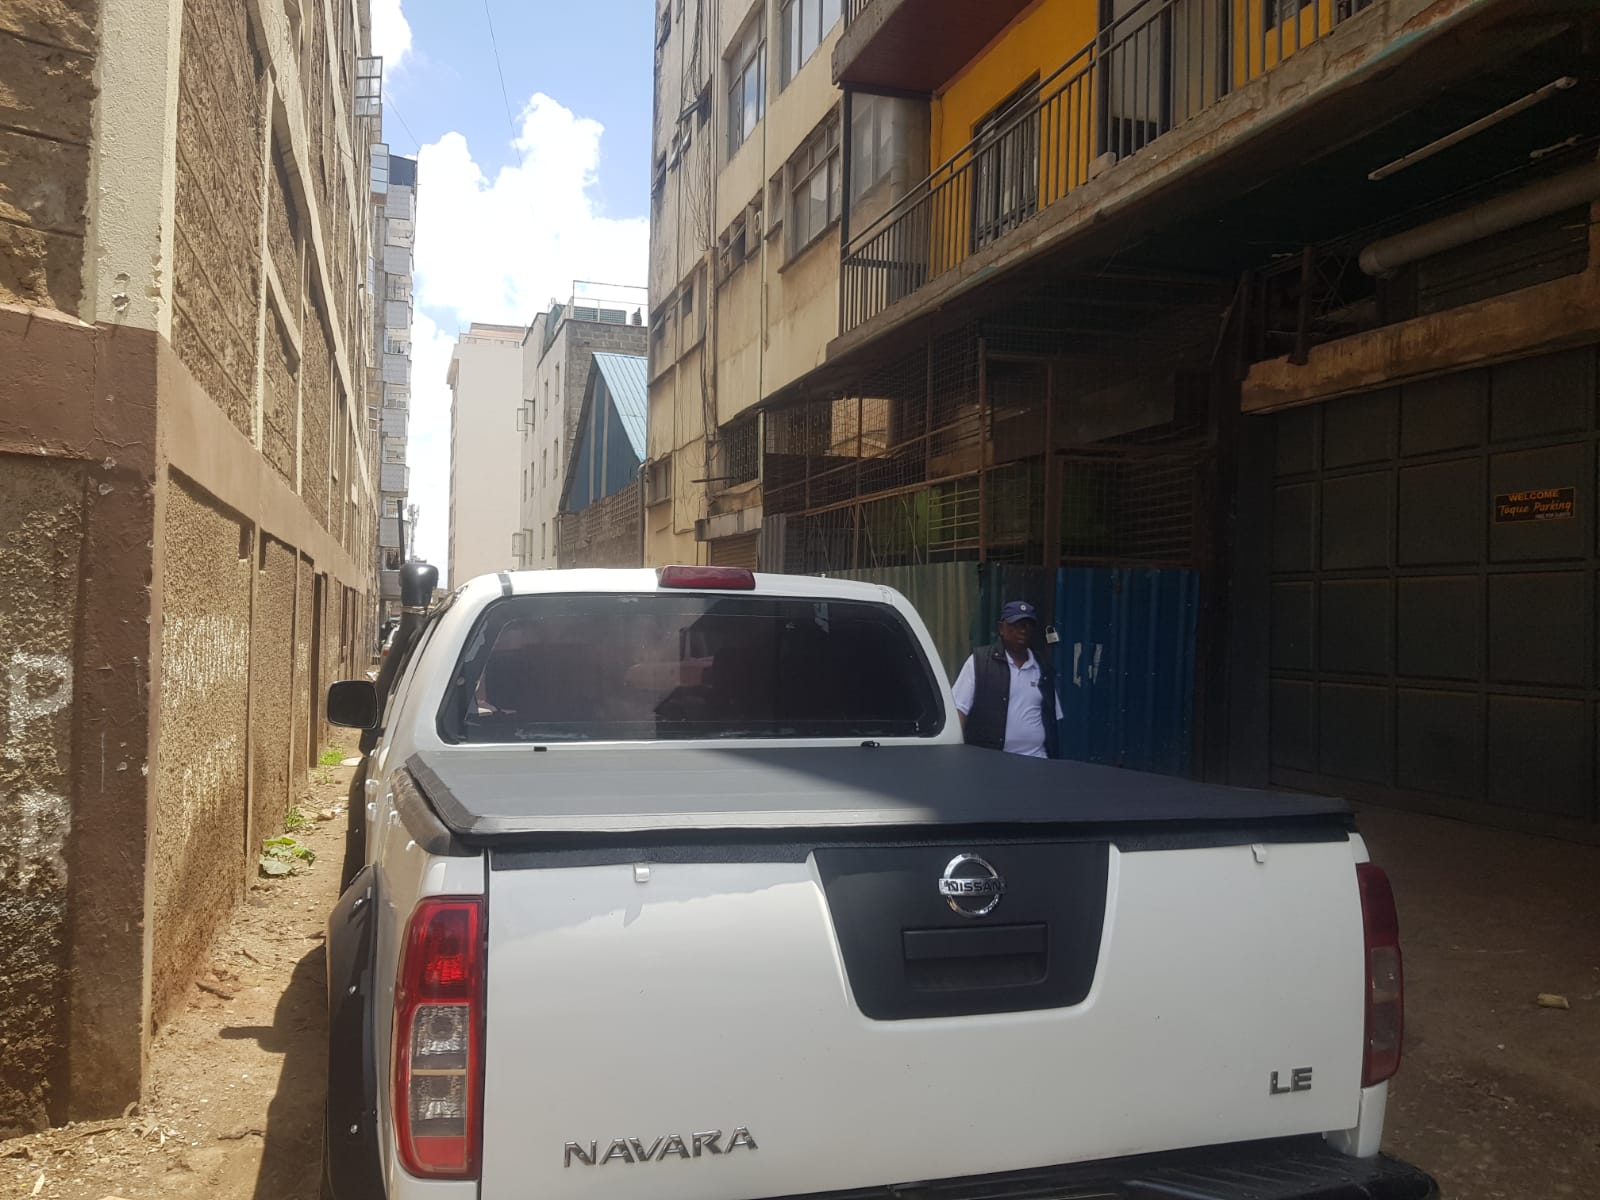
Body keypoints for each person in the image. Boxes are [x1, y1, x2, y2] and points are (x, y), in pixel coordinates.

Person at [952, 600, 1063, 759]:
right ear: (1001, 628)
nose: (1023, 631)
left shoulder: (1042, 667)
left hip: (1036, 759)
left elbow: (1053, 716)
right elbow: (959, 711)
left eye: (1028, 626)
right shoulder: (980, 662)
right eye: (1016, 625)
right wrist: (956, 756)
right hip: (991, 761)